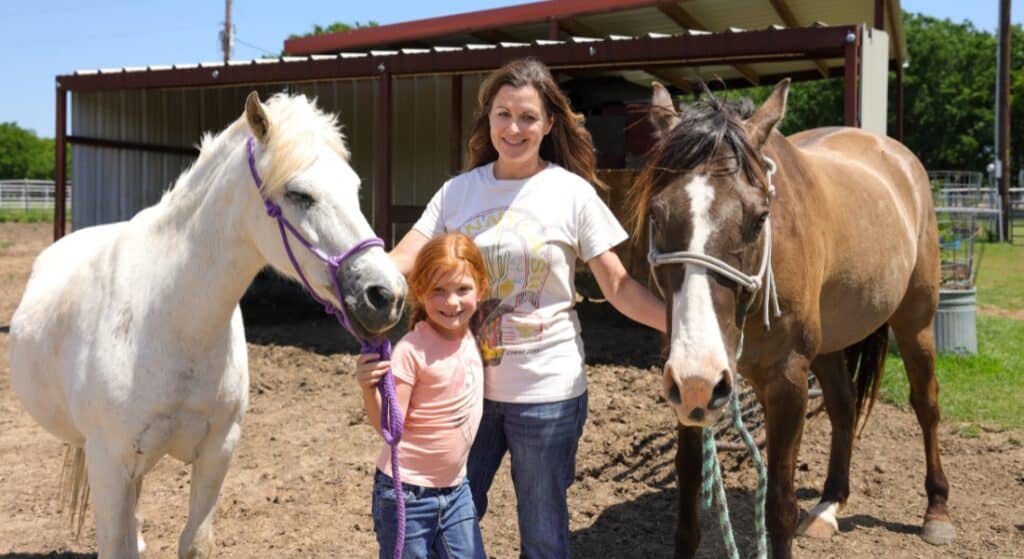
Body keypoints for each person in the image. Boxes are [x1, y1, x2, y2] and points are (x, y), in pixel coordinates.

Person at [363, 57, 666, 558]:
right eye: (503, 114)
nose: (514, 127)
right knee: (451, 519)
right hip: (465, 390)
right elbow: (405, 257)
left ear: (550, 123)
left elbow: (618, 285)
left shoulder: (572, 193)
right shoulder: (458, 192)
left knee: (544, 534)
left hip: (548, 393)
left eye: (528, 116)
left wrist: (688, 327)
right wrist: (356, 275)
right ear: (489, 120)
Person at [356, 233, 490, 559]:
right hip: (408, 497)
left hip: (457, 491)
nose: (452, 302)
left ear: (481, 288)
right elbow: (389, 428)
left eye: (462, 289)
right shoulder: (411, 352)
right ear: (419, 292)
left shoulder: (472, 335)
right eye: (438, 291)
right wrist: (367, 388)